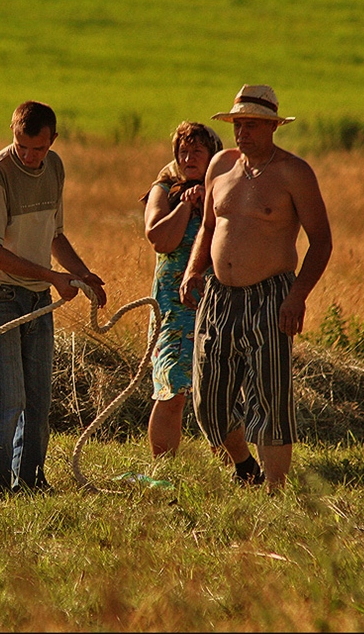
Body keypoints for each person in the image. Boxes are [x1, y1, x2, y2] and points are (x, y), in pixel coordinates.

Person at [180, 85, 332, 491]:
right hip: (218, 295)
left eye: (251, 125)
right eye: (237, 124)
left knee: (271, 397)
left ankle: (274, 489)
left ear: (272, 127)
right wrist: (194, 269)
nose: (242, 133)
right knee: (207, 402)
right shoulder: (220, 167)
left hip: (271, 296)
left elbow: (321, 241)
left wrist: (297, 296)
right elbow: (210, 226)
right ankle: (245, 466)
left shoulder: (294, 173)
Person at [0, 100, 107, 496]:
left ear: (53, 140)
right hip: (1, 295)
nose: (30, 156)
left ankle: (29, 482)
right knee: (7, 398)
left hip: (38, 297)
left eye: (39, 148)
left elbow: (55, 235)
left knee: (38, 399)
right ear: (12, 133)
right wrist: (53, 277)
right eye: (22, 145)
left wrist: (83, 276)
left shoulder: (56, 168)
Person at [141, 122, 263, 483]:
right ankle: (163, 472)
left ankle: (238, 468)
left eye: (196, 151)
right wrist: (184, 206)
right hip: (174, 305)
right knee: (172, 389)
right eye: (182, 151)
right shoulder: (164, 189)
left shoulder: (225, 187)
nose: (188, 157)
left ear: (212, 155)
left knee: (216, 389)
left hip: (216, 302)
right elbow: (160, 239)